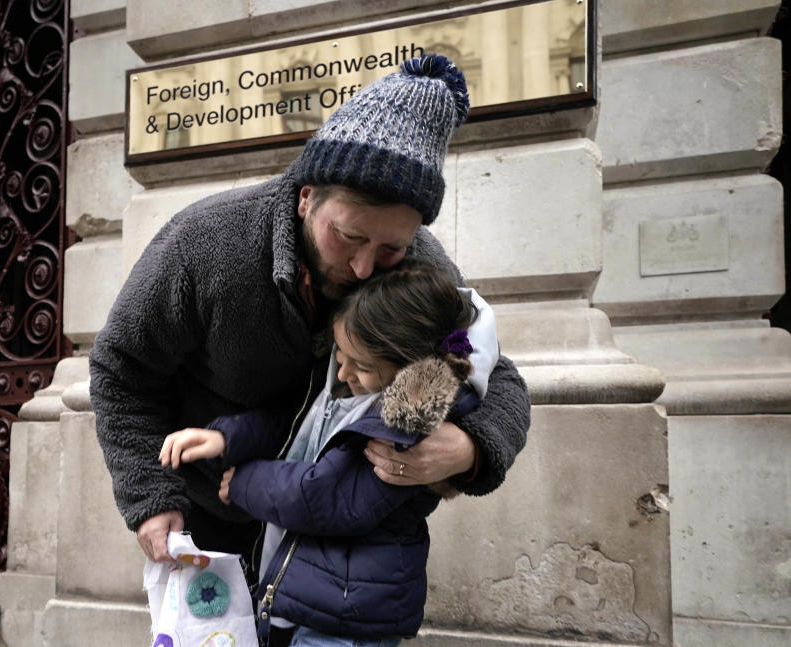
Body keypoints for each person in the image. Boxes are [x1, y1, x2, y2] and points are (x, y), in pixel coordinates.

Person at [89, 54, 530, 596]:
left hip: (329, 550)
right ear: (306, 198)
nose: (365, 267)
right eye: (347, 236)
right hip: (208, 513)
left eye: (390, 247)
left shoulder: (419, 262)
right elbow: (120, 370)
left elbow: (500, 380)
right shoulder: (204, 242)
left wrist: (469, 447)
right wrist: (150, 499)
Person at [158, 259, 491, 646]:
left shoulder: (407, 426)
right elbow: (296, 425)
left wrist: (245, 481)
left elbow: (328, 497)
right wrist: (227, 439)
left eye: (362, 366)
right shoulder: (351, 387)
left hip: (349, 618)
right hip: (309, 599)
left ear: (406, 365)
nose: (345, 373)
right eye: (340, 356)